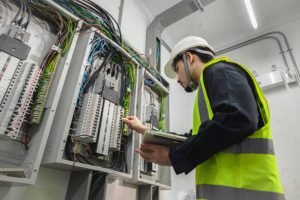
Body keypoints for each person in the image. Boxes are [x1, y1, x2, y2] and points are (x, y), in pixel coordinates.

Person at [122, 36, 285, 200]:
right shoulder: (210, 85)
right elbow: (200, 137)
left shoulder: (220, 71)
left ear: (189, 57)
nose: (178, 79)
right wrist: (145, 130)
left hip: (248, 191)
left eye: (177, 69)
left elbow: (238, 118)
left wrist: (177, 157)